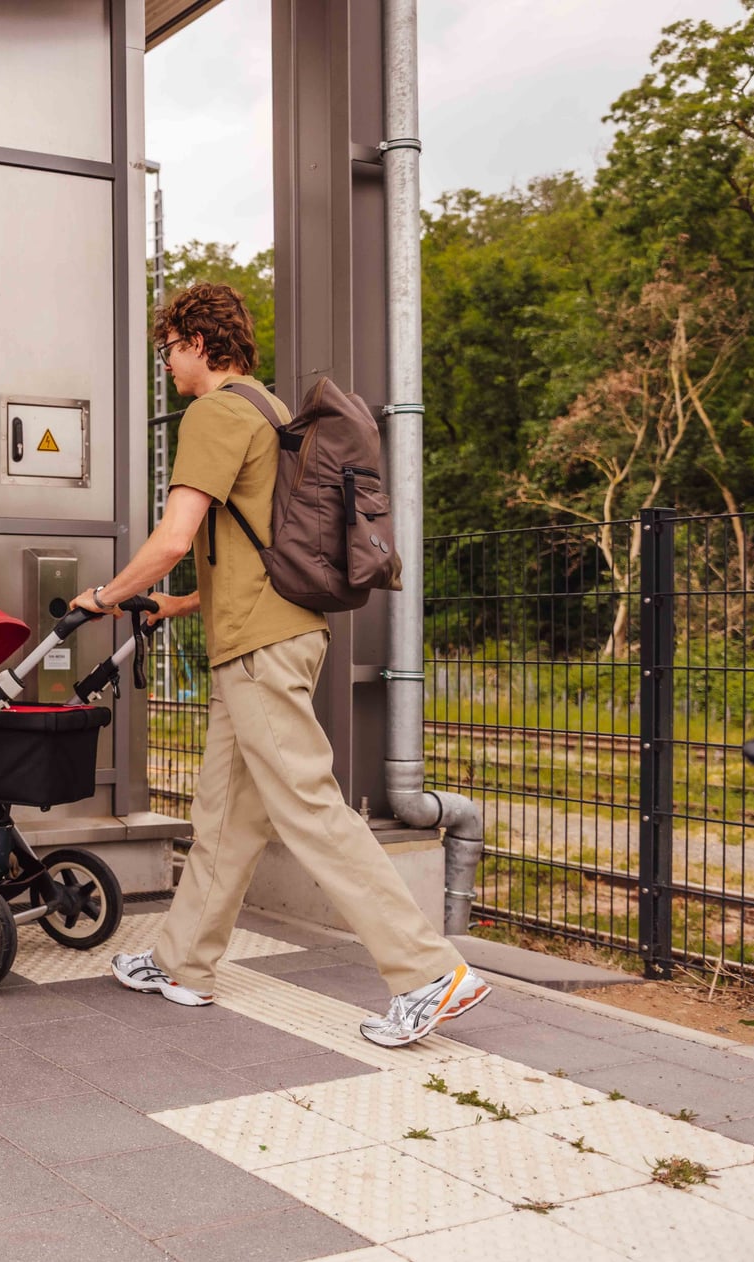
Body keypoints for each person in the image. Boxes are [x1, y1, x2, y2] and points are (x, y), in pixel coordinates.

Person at [69, 282, 487, 1049]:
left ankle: (428, 971)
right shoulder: (267, 409)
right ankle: (183, 963)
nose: (168, 364)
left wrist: (106, 595)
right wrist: (178, 605)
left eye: (170, 349)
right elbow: (261, 547)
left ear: (199, 343)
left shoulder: (214, 413)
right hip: (267, 635)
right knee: (225, 818)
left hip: (260, 649)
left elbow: (173, 537)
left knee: (308, 807)